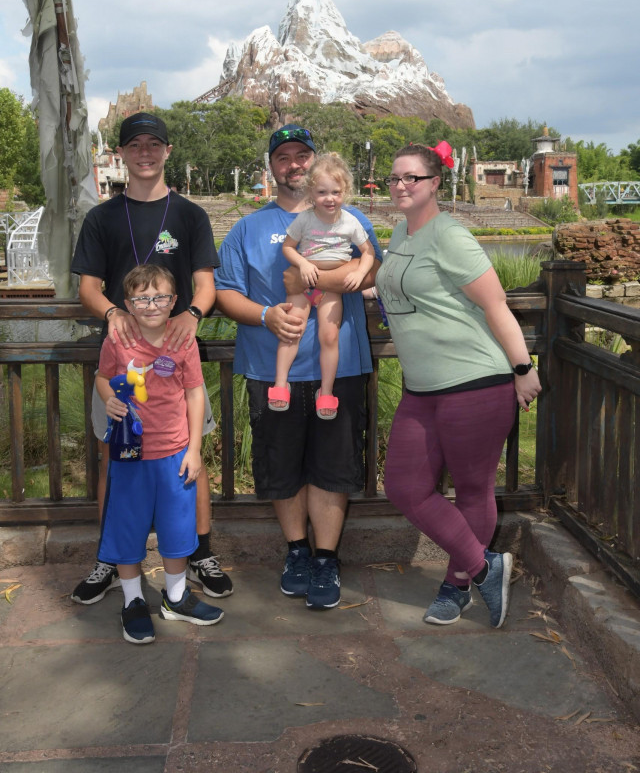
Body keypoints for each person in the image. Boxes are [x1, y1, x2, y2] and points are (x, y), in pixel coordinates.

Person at [375, 141, 541, 629]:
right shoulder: (401, 231)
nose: (401, 186)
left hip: (475, 382)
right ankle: (487, 565)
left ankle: (458, 584)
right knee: (405, 487)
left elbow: (496, 306)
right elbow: (399, 285)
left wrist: (522, 368)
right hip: (421, 388)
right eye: (395, 178)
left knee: (473, 489)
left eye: (412, 178)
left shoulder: (451, 237)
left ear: (434, 184)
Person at [215, 124, 381, 610]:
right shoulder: (247, 228)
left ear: (317, 164)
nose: (294, 164)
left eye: (301, 155)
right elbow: (225, 292)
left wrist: (336, 273)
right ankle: (296, 552)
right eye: (283, 156)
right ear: (272, 167)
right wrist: (266, 315)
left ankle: (326, 557)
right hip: (272, 369)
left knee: (334, 466)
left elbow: (373, 269)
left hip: (340, 364)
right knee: (282, 465)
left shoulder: (352, 218)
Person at [70, 111, 232, 605]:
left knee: (190, 457)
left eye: (153, 144)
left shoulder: (189, 215)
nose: (145, 152)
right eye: (135, 144)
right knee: (113, 458)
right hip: (121, 362)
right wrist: (113, 312)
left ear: (166, 151)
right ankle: (109, 556)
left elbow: (204, 283)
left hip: (176, 356)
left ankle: (200, 550)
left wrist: (195, 314)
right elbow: (88, 287)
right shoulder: (101, 217)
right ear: (122, 152)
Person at [97, 263, 224, 643]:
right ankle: (133, 601)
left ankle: (176, 595)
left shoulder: (183, 340)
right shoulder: (117, 341)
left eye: (160, 297)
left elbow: (194, 392)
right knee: (128, 528)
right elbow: (104, 378)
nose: (151, 305)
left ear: (173, 302)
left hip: (174, 453)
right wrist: (108, 400)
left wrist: (195, 449)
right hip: (130, 453)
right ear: (128, 304)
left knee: (176, 528)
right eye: (142, 298)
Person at [272, 152, 375, 419]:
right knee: (292, 330)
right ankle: (281, 383)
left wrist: (361, 272)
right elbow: (288, 247)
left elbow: (369, 252)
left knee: (329, 337)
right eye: (322, 192)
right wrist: (304, 265)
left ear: (345, 192)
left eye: (336, 192)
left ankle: (326, 391)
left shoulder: (350, 221)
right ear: (310, 192)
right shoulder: (305, 219)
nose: (329, 198)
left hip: (332, 290)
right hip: (303, 284)